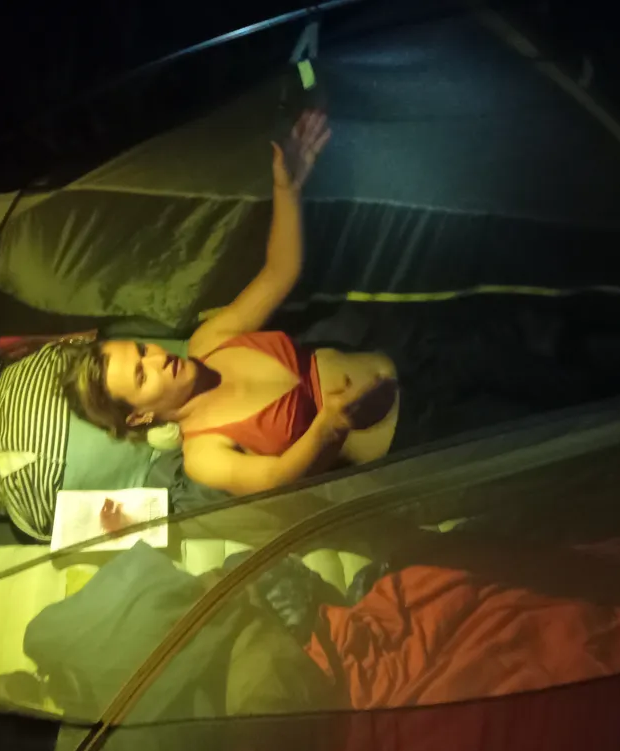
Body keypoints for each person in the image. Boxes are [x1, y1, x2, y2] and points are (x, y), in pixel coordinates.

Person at [61, 110, 401, 497]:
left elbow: (279, 272)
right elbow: (276, 478)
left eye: (142, 350)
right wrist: (331, 425)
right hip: (417, 437)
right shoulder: (203, 455)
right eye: (142, 375)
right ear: (139, 416)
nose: (157, 358)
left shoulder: (209, 340)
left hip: (405, 351)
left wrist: (287, 190)